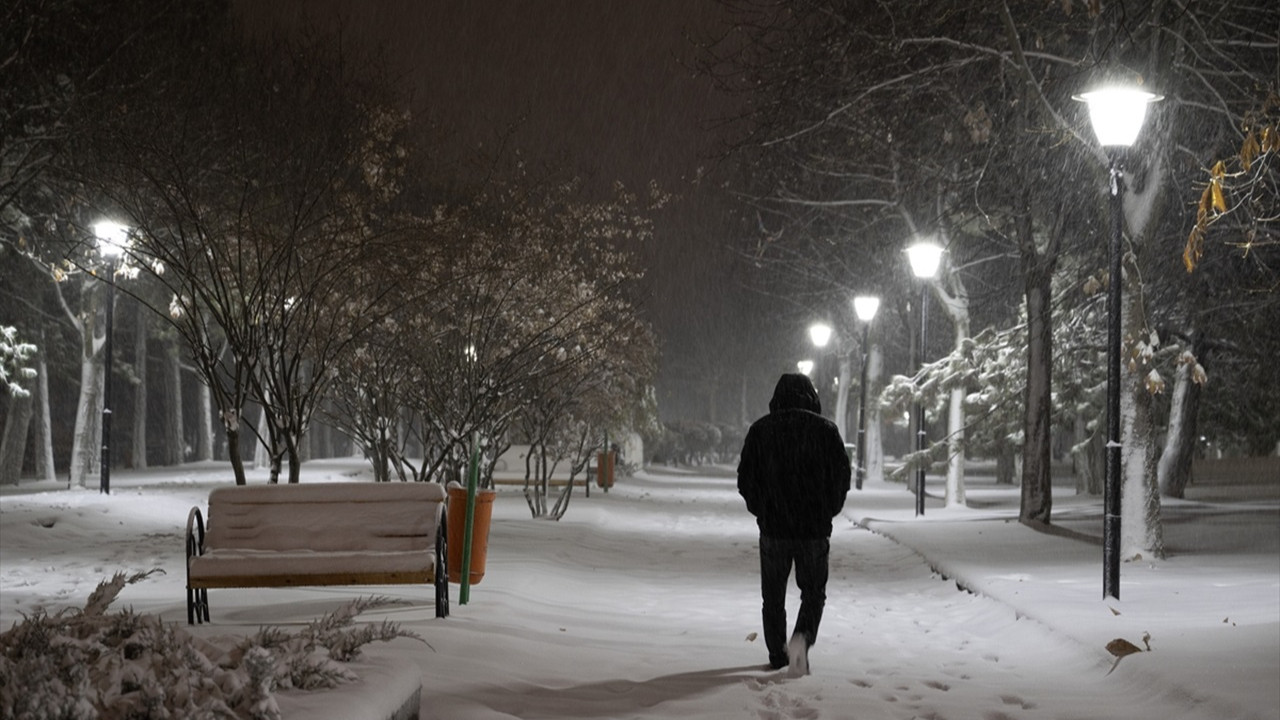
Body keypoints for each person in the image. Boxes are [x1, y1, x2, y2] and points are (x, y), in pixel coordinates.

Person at [737, 373, 851, 676]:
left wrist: (763, 510)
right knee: (813, 592)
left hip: (774, 527)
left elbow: (746, 479)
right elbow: (841, 478)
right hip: (813, 529)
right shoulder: (826, 432)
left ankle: (777, 653)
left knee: (772, 594)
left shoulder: (761, 430)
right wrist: (827, 510)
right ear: (811, 397)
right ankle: (802, 637)